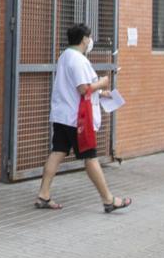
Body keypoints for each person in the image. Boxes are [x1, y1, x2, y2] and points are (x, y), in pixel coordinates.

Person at [34, 22, 132, 213]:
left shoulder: (65, 56)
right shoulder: (77, 60)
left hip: (63, 115)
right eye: (89, 38)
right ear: (85, 39)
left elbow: (81, 88)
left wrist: (101, 92)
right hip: (77, 119)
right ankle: (108, 200)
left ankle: (43, 195)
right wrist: (103, 81)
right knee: (90, 158)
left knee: (57, 152)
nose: (90, 41)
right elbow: (83, 88)